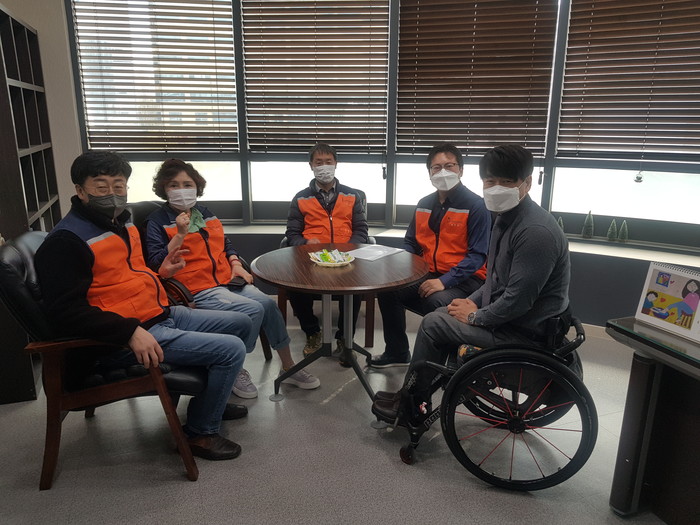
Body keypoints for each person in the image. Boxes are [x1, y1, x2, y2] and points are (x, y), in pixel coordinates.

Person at [35, 151, 250, 461]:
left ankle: (210, 402)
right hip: (119, 339)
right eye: (101, 186)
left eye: (118, 185)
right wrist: (128, 332)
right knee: (231, 350)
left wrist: (162, 272)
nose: (112, 193)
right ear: (80, 191)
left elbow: (131, 275)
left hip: (156, 313)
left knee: (241, 322)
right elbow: (64, 312)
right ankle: (200, 433)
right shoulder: (66, 241)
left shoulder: (120, 223)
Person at [371, 144, 572, 425]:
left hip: (524, 332)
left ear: (527, 183)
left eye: (506, 181)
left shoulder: (535, 232)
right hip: (507, 317)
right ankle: (416, 389)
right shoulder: (505, 218)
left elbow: (517, 301)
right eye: (490, 181)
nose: (496, 188)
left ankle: (412, 404)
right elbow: (495, 279)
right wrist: (472, 302)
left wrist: (476, 316)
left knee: (433, 323)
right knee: (444, 311)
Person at [143, 159, 320, 396]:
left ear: (197, 187)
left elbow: (225, 244)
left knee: (268, 304)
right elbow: (156, 262)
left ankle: (288, 367)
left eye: (187, 184)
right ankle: (234, 367)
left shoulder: (204, 213)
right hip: (196, 289)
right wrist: (180, 234)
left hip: (227, 280)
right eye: (174, 185)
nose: (181, 190)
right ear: (164, 189)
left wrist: (236, 264)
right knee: (253, 310)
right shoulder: (156, 221)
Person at [369, 143, 490, 368]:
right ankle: (397, 352)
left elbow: (477, 256)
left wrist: (444, 281)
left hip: (466, 279)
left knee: (436, 301)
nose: (443, 172)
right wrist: (401, 266)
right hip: (428, 273)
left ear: (461, 170)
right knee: (389, 290)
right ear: (429, 173)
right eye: (436, 167)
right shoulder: (424, 204)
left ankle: (438, 364)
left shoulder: (476, 206)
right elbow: (411, 242)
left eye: (449, 166)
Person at [285, 143, 369, 364]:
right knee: (294, 285)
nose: (324, 167)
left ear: (336, 164)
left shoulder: (352, 195)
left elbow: (361, 230)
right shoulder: (301, 198)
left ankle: (344, 338)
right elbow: (292, 234)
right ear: (311, 166)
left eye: (328, 162)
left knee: (355, 287)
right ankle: (312, 332)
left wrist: (350, 248)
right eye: (319, 162)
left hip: (346, 258)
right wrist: (305, 243)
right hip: (311, 259)